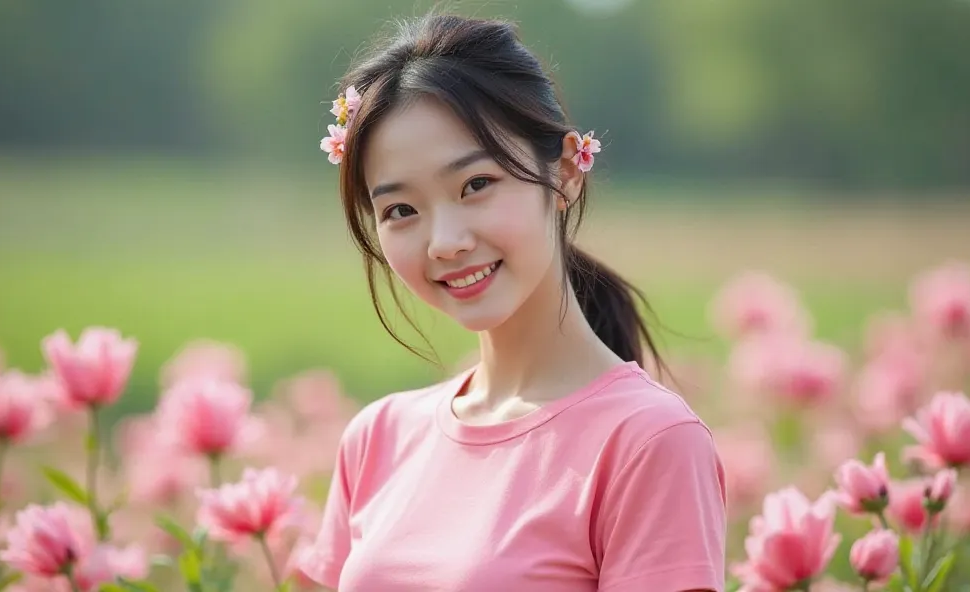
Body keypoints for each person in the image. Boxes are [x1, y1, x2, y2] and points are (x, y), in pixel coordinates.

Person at [299, 11, 727, 592]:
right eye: (401, 210)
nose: (445, 241)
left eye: (475, 185)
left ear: (568, 172)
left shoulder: (649, 442)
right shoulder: (378, 437)